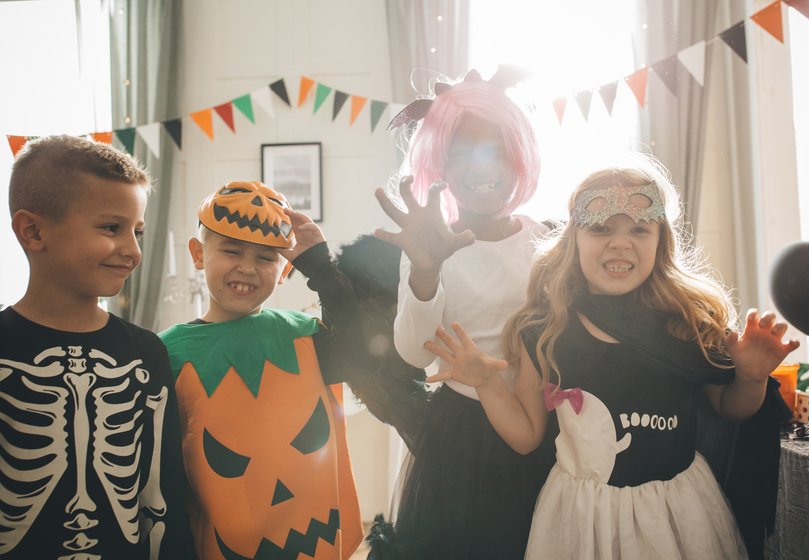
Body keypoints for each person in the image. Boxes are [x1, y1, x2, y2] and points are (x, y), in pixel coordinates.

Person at [424, 155, 800, 559]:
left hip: (676, 512)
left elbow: (731, 410)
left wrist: (751, 377)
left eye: (640, 229)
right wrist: (486, 382)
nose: (620, 243)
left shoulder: (687, 323)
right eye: (601, 229)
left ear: (661, 242)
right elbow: (526, 436)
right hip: (582, 517)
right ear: (574, 240)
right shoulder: (545, 330)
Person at [368, 67, 558, 560]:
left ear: (520, 155)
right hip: (463, 435)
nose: (480, 165)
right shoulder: (428, 246)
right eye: (460, 153)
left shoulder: (549, 240)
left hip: (545, 424)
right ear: (441, 168)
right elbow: (412, 354)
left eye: (496, 148)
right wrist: (426, 271)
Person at [158, 181, 378, 560]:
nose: (247, 267)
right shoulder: (168, 353)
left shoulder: (304, 336)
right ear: (198, 253)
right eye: (231, 250)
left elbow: (363, 353)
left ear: (284, 268)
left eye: (266, 257)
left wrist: (321, 267)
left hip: (315, 539)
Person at [0, 135, 195, 558]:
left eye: (137, 231)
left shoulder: (146, 352)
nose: (133, 251)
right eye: (111, 227)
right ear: (32, 231)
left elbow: (166, 498)